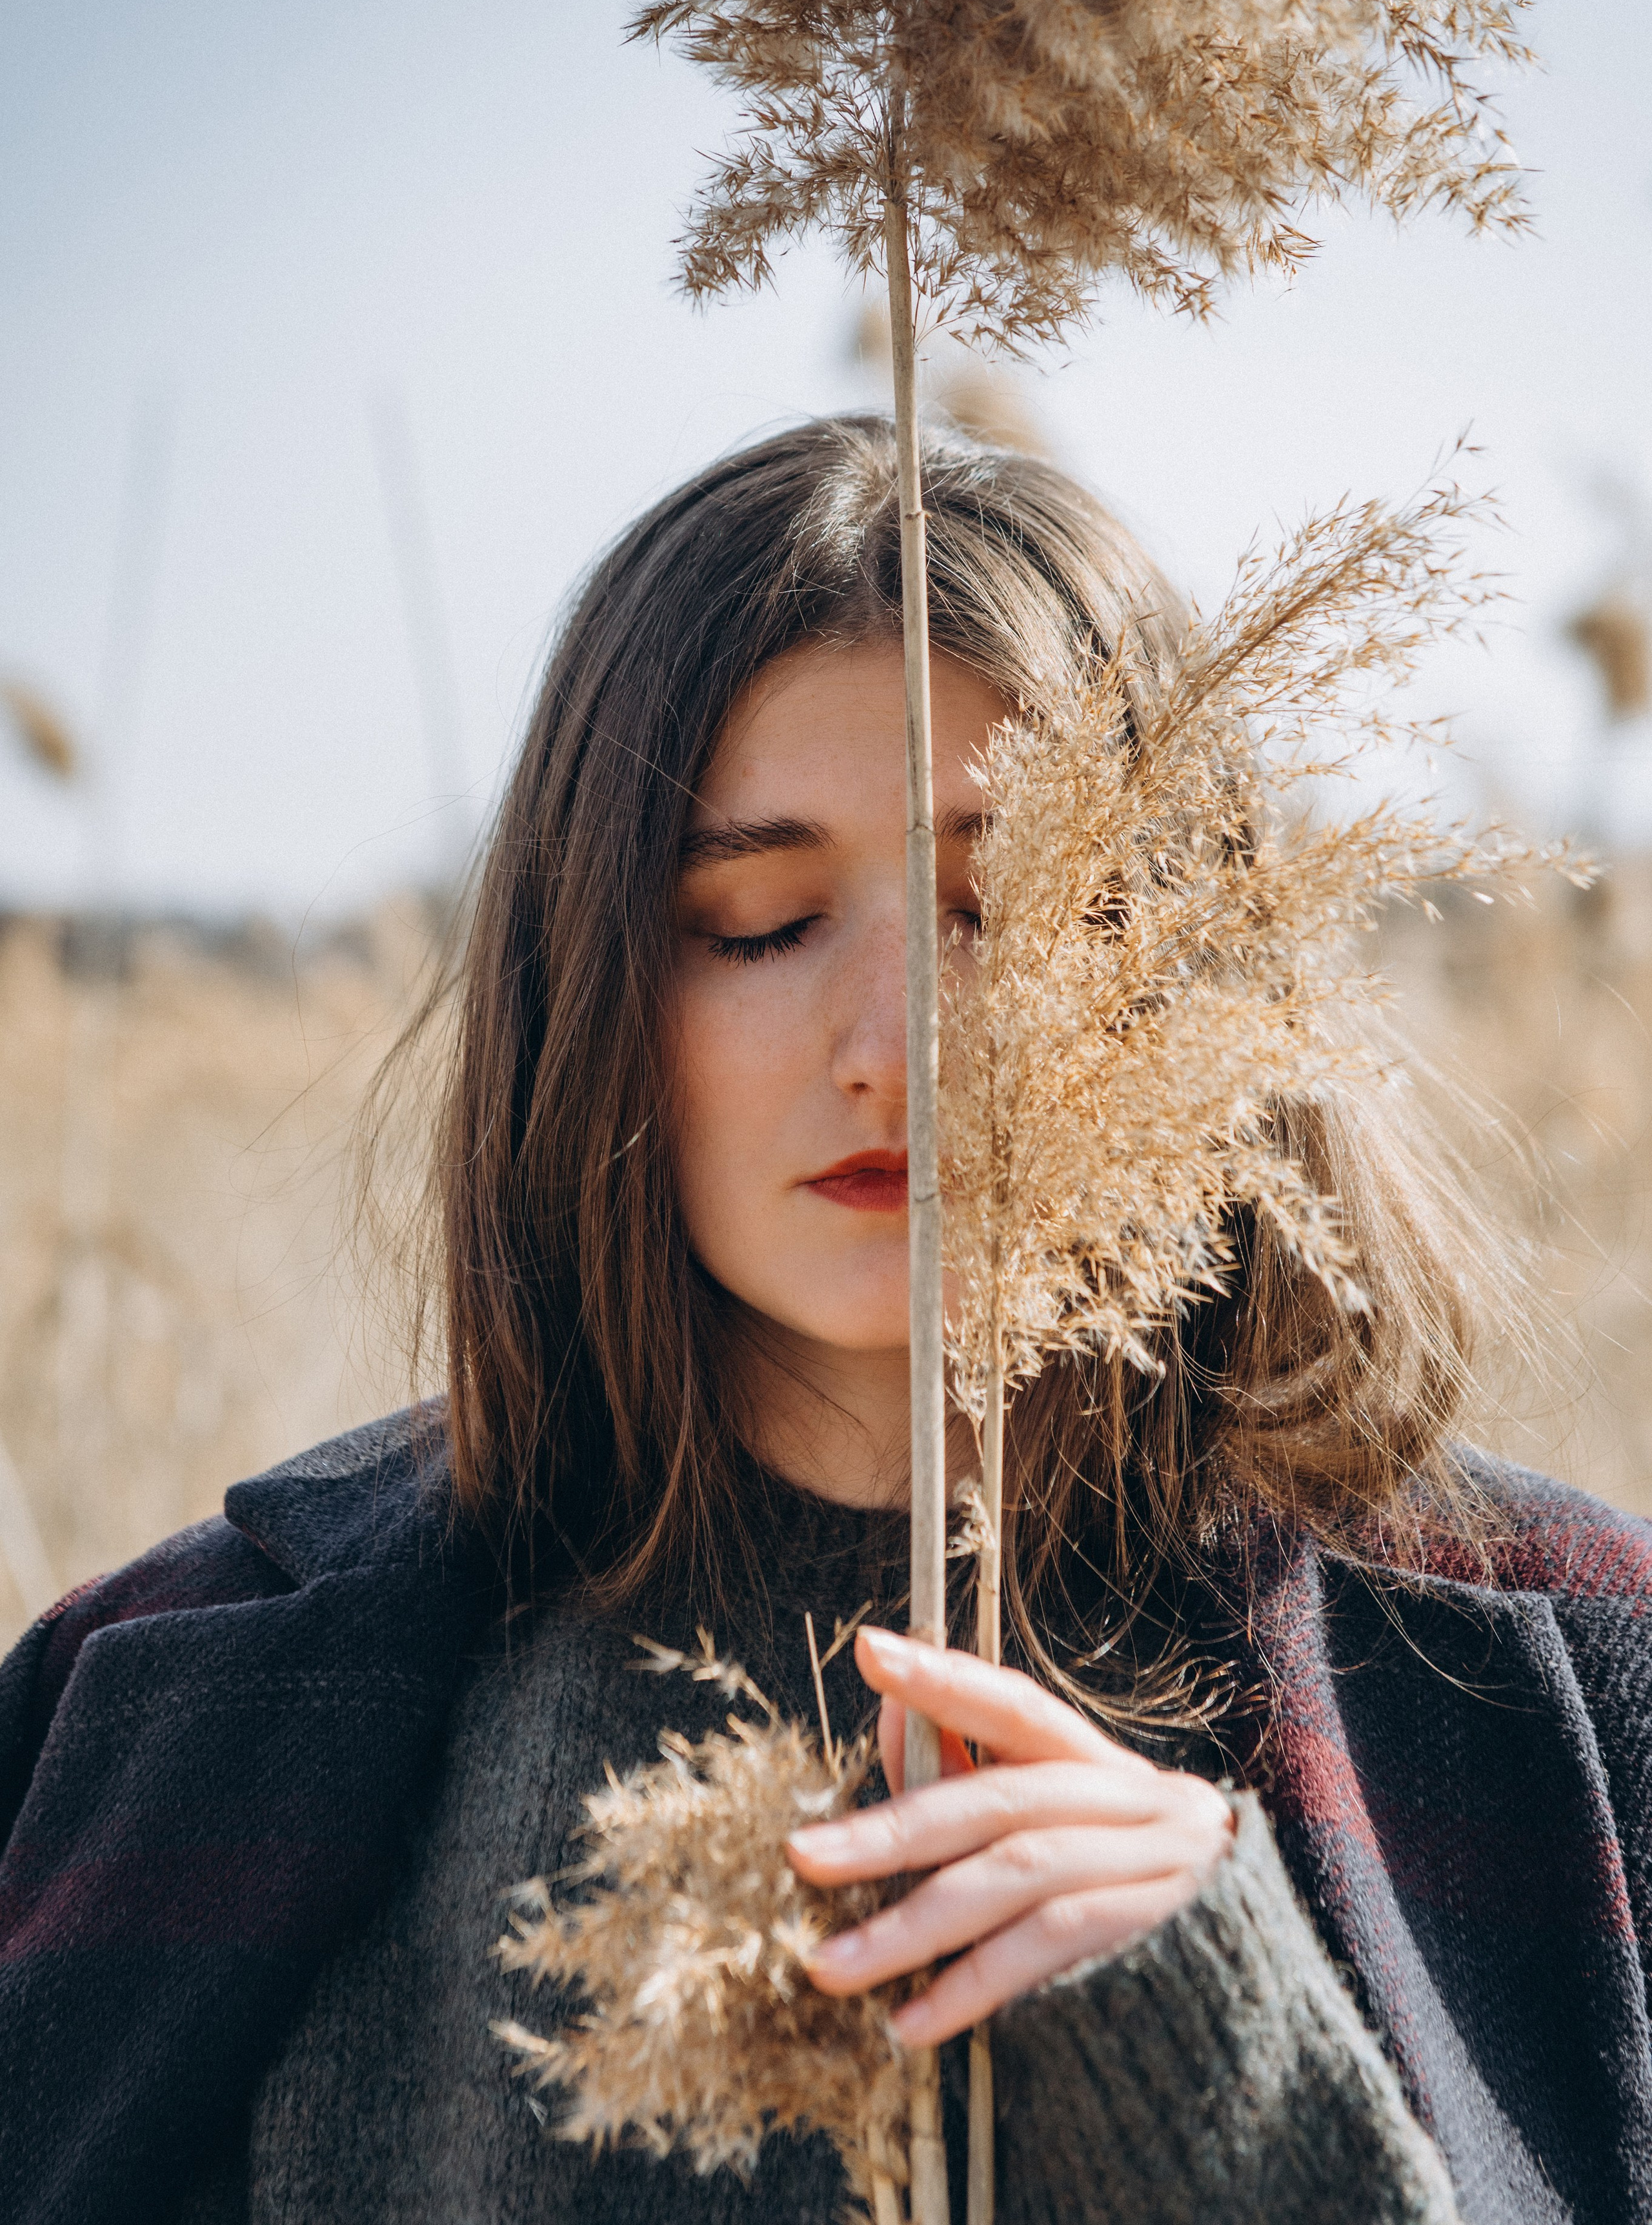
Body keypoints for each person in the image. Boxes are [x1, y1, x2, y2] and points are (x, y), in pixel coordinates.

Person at [2, 416, 1649, 2225]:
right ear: (594, 996)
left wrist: (1231, 2068)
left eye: (1008, 906)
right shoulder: (168, 1699)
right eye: (764, 922)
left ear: (1198, 970)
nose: (898, 1043)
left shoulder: (1554, 1678)